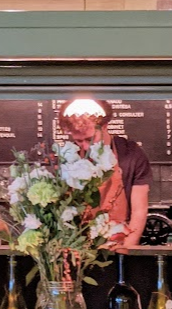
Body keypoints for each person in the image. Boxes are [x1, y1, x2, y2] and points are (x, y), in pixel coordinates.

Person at [57, 100, 152, 248]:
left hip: (120, 240)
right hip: (79, 246)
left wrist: (126, 250)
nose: (85, 146)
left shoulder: (131, 154)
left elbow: (139, 210)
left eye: (90, 139)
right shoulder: (69, 156)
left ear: (105, 126)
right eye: (79, 141)